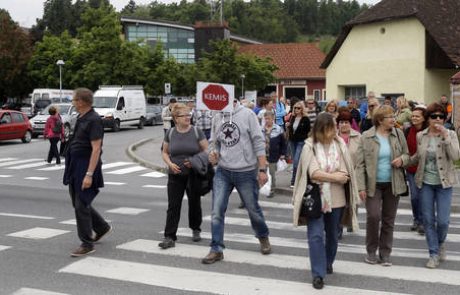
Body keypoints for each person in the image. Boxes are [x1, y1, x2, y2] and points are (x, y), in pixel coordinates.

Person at [292, 113, 359, 290]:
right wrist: (333, 176)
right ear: (321, 129)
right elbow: (313, 173)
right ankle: (318, 274)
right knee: (315, 236)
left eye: (334, 126)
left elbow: (345, 175)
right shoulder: (309, 146)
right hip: (315, 198)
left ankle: (327, 262)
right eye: (330, 127)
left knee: (333, 236)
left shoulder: (340, 145)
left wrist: (331, 176)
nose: (334, 130)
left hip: (337, 199)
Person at [202, 98, 271, 264]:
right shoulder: (217, 116)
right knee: (217, 211)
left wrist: (262, 170)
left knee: (253, 209)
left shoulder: (248, 115)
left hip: (246, 171)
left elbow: (258, 141)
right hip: (223, 171)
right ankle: (216, 248)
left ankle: (263, 236)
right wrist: (213, 152)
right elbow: (214, 142)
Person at [356, 105, 409, 266]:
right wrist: (361, 187)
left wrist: (402, 160)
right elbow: (360, 165)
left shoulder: (398, 134)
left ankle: (385, 253)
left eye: (394, 116)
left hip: (393, 183)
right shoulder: (366, 136)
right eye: (390, 117)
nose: (394, 119)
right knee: (373, 216)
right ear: (380, 120)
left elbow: (407, 154)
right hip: (373, 184)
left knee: (388, 220)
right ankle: (371, 250)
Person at [409, 102, 460, 268]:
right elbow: (417, 156)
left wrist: (445, 136)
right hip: (425, 183)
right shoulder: (421, 135)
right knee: (428, 220)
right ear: (428, 118)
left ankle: (440, 243)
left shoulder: (450, 134)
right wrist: (403, 160)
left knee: (443, 221)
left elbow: (455, 156)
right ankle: (433, 253)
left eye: (441, 116)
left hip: (444, 183)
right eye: (434, 116)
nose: (438, 119)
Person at [63, 88, 111, 257]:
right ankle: (101, 227)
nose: (73, 103)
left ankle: (86, 243)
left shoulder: (94, 119)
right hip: (75, 165)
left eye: (74, 100)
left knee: (81, 204)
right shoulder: (81, 117)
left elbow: (96, 148)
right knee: (78, 202)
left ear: (81, 102)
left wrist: (89, 174)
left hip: (86, 166)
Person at [160, 103, 208, 249]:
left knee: (194, 202)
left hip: (193, 174)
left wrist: (194, 161)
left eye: (189, 114)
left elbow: (206, 150)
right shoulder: (170, 133)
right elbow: (164, 152)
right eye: (184, 115)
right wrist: (169, 164)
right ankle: (169, 236)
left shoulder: (196, 131)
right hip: (175, 174)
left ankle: (195, 228)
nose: (188, 117)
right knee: (173, 205)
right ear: (176, 118)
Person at [337, 109, 362, 236]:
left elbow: (361, 157)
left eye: (346, 122)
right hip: (338, 174)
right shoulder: (333, 137)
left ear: (350, 123)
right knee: (339, 201)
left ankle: (351, 220)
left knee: (352, 200)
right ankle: (339, 228)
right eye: (341, 122)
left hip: (354, 172)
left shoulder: (358, 136)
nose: (344, 125)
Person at [404, 106, 428, 235]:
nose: (414, 118)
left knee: (424, 196)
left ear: (424, 118)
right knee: (415, 197)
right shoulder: (408, 131)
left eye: (417, 116)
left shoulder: (427, 132)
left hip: (425, 169)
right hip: (411, 169)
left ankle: (424, 222)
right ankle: (416, 219)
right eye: (413, 116)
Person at [286, 101, 311, 187]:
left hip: (301, 141)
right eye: (295, 108)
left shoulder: (305, 119)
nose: (296, 109)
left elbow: (308, 130)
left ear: (302, 109)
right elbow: (291, 129)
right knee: (295, 161)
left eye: (298, 108)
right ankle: (300, 178)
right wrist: (288, 125)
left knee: (296, 160)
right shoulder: (292, 117)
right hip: (292, 141)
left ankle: (293, 181)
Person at [263, 110, 287, 198]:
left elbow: (283, 143)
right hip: (263, 155)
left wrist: (282, 154)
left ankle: (272, 190)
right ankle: (263, 187)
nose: (267, 120)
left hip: (273, 155)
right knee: (262, 172)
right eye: (265, 119)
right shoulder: (261, 129)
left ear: (273, 119)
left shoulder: (278, 129)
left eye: (268, 119)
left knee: (272, 173)